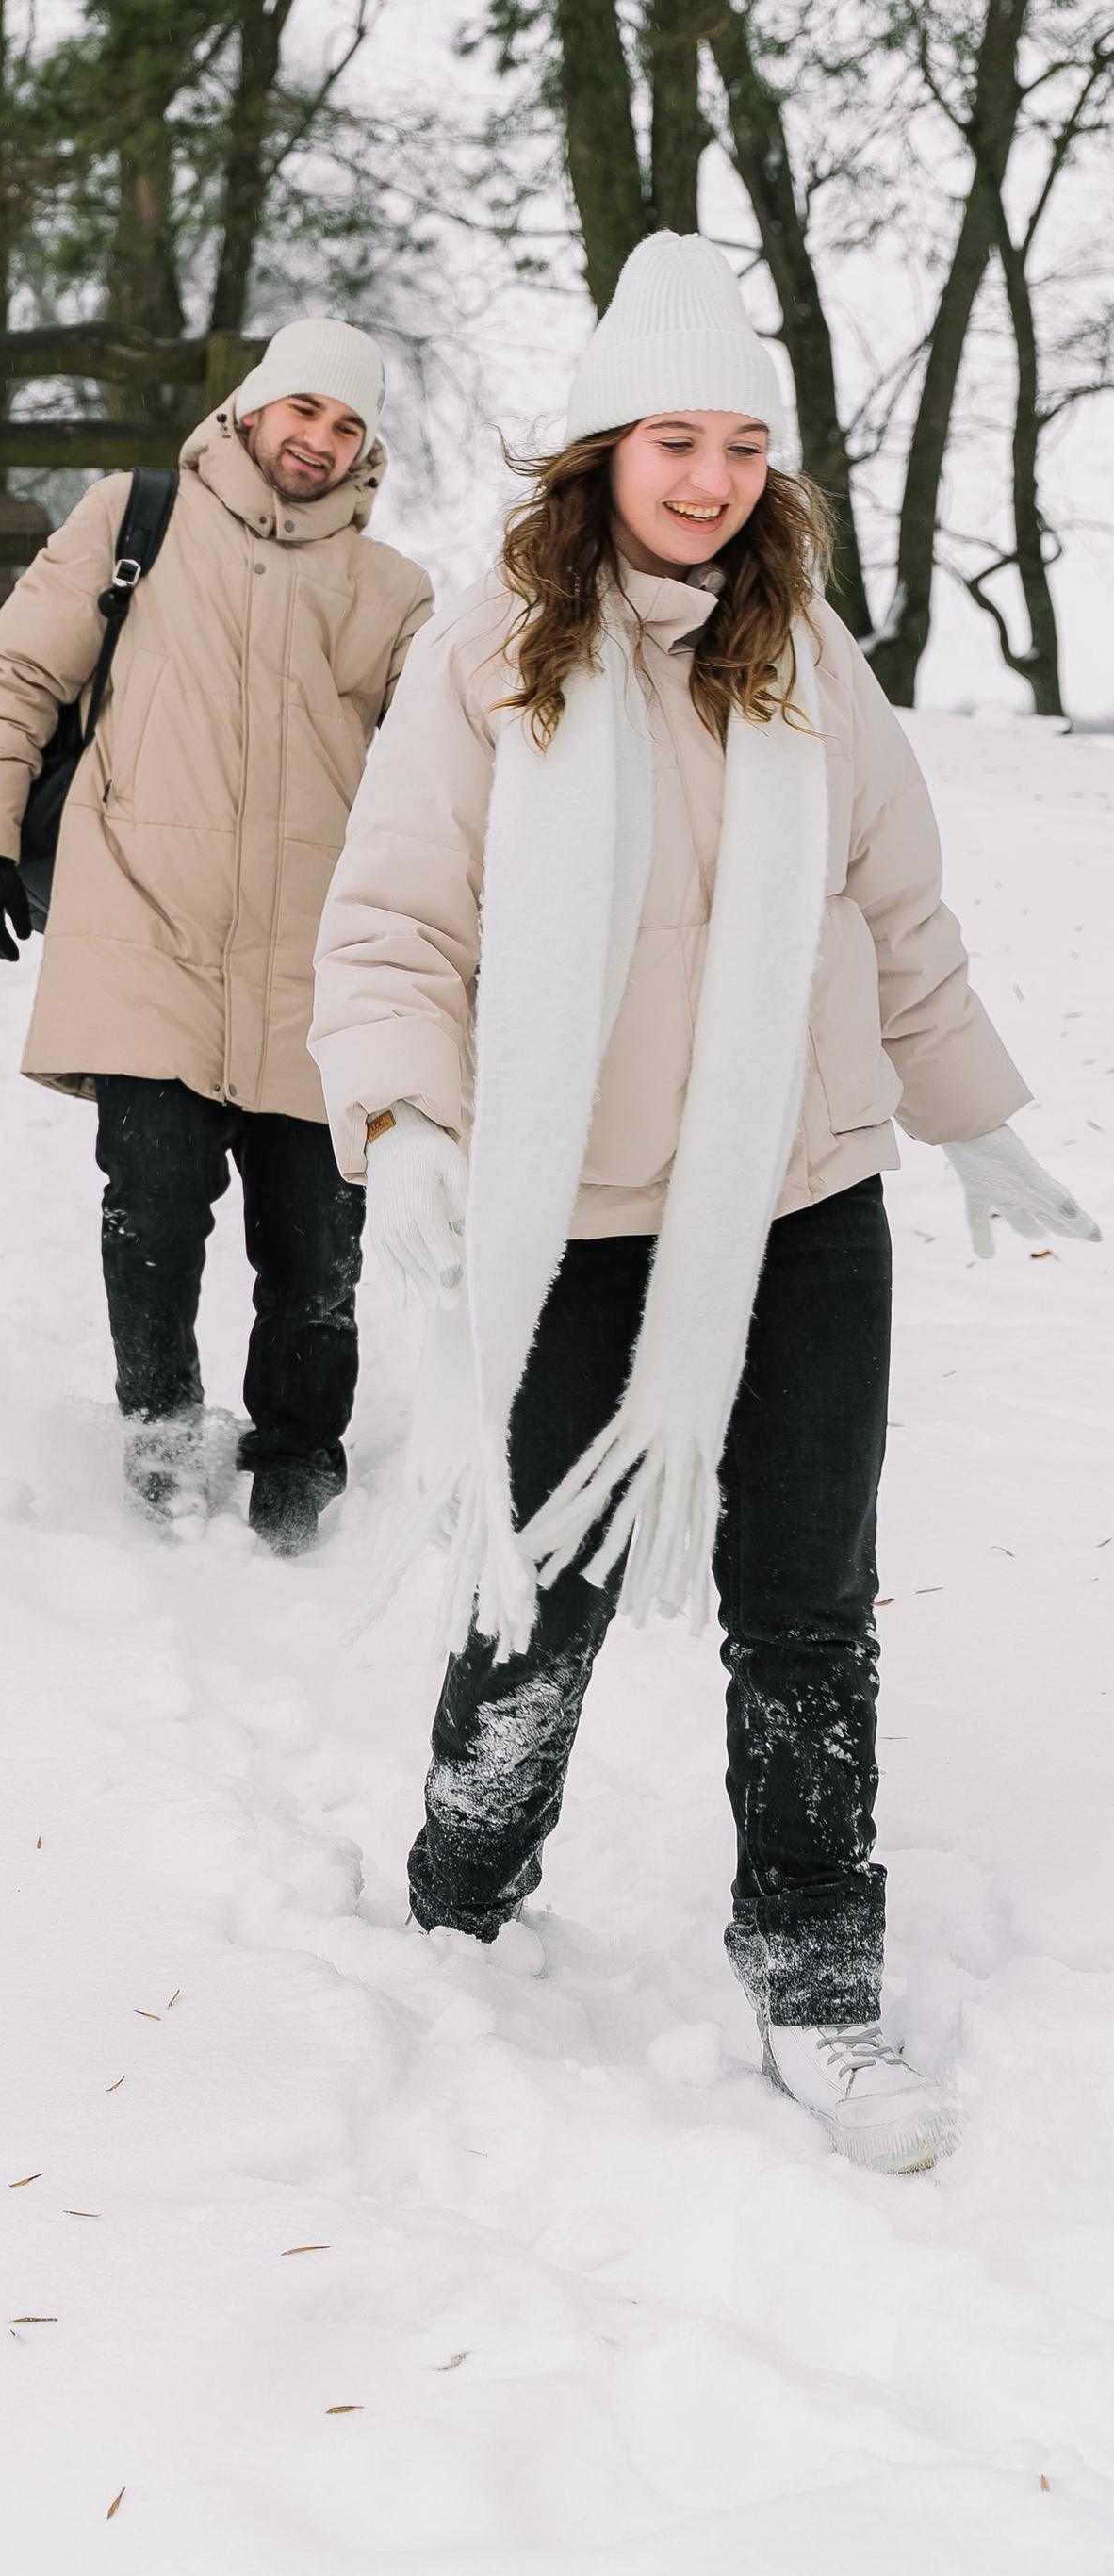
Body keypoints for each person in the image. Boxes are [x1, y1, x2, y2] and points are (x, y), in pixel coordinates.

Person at [308, 230, 1097, 2173]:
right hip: (569, 1210)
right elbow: (393, 919)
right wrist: (403, 1118)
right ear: (599, 451)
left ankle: (817, 1977)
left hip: (797, 1202)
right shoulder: (487, 658)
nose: (708, 478)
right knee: (543, 1589)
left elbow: (895, 917)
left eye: (741, 445)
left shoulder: (808, 661)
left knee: (806, 1611)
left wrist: (971, 1119)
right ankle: (460, 1888)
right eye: (674, 437)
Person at [0, 321, 434, 1550]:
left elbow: (448, 778)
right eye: (300, 411)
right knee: (151, 1205)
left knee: (316, 1239)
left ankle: (300, 1458)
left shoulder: (393, 595)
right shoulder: (133, 519)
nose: (316, 440)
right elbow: (19, 676)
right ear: (254, 408)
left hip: (315, 964)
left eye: (346, 426)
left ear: (368, 449)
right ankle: (160, 1425)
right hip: (142, 921)